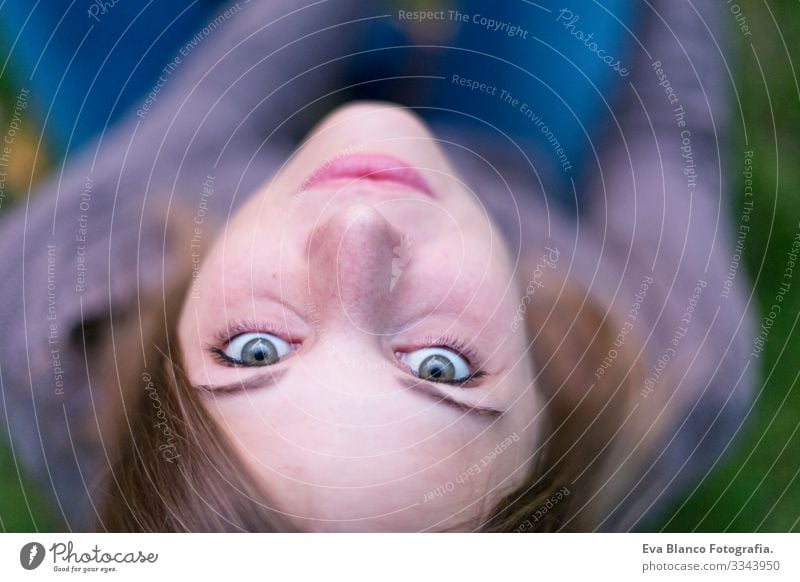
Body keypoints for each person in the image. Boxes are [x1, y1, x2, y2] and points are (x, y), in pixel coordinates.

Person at [0, 0, 754, 532]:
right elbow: (668, 130)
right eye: (440, 367)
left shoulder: (62, 303)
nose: (358, 230)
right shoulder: (680, 359)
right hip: (502, 151)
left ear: (162, 356)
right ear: (548, 422)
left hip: (193, 144)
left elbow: (231, 85)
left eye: (253, 350)